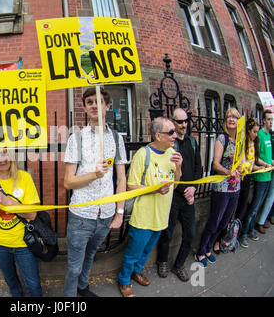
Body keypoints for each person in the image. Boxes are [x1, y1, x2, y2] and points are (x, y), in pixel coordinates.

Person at [63, 87, 127, 297]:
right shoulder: (77, 139)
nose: (94, 106)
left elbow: (122, 178)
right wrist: (94, 174)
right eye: (89, 102)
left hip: (106, 214)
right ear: (84, 107)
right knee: (73, 266)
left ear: (107, 107)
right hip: (82, 215)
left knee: (91, 255)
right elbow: (68, 182)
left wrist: (119, 213)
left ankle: (83, 288)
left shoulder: (117, 139)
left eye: (98, 102)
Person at [118, 117, 182, 297]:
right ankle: (124, 280)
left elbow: (176, 184)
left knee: (147, 250)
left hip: (162, 215)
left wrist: (178, 166)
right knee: (133, 251)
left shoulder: (172, 153)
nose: (175, 135)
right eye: (170, 132)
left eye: (174, 132)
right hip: (144, 216)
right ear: (158, 135)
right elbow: (131, 186)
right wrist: (155, 189)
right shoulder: (142, 154)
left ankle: (136, 272)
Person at [0, 149, 42, 297]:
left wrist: (7, 202)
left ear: (12, 157)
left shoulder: (24, 177)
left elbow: (32, 215)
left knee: (33, 284)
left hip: (23, 243)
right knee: (11, 281)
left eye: (4, 154)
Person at [157, 108, 202, 282]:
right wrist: (182, 190)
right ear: (173, 123)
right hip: (173, 196)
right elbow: (166, 173)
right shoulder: (170, 145)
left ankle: (179, 265)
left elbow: (199, 168)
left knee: (190, 234)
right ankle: (162, 261)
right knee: (167, 232)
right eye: (179, 122)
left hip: (189, 196)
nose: (183, 125)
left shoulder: (192, 142)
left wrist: (193, 189)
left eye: (185, 121)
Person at [195, 108, 241, 267]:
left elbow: (243, 162)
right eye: (228, 116)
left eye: (234, 117)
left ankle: (209, 248)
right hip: (222, 188)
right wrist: (229, 171)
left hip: (236, 189)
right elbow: (215, 164)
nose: (231, 119)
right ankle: (201, 251)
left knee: (224, 223)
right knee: (214, 221)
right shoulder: (222, 138)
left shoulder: (240, 141)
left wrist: (244, 167)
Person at [239, 110, 273, 248]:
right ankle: (244, 233)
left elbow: (263, 156)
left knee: (257, 206)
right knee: (253, 207)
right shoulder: (258, 134)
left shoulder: (267, 135)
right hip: (260, 176)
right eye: (269, 119)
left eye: (272, 119)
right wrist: (264, 166)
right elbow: (255, 158)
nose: (271, 122)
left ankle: (250, 229)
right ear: (264, 120)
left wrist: (269, 162)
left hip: (267, 175)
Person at [234, 118, 265, 223]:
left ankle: (236, 233)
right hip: (239, 178)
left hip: (248, 178)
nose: (256, 134)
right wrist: (256, 168)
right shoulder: (243, 143)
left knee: (242, 207)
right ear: (248, 130)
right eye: (254, 132)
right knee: (235, 207)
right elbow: (243, 164)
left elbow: (252, 163)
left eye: (257, 132)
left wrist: (262, 166)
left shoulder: (253, 143)